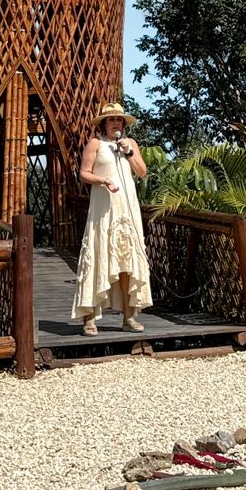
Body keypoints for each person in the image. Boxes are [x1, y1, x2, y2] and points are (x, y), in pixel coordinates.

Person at [72, 102, 152, 336]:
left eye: (119, 120)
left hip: (127, 212)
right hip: (103, 211)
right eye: (111, 120)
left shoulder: (130, 144)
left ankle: (129, 317)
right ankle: (89, 319)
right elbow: (84, 173)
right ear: (104, 124)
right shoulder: (95, 144)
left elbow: (142, 172)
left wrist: (129, 152)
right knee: (99, 257)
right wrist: (102, 181)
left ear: (123, 124)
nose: (116, 123)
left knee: (127, 262)